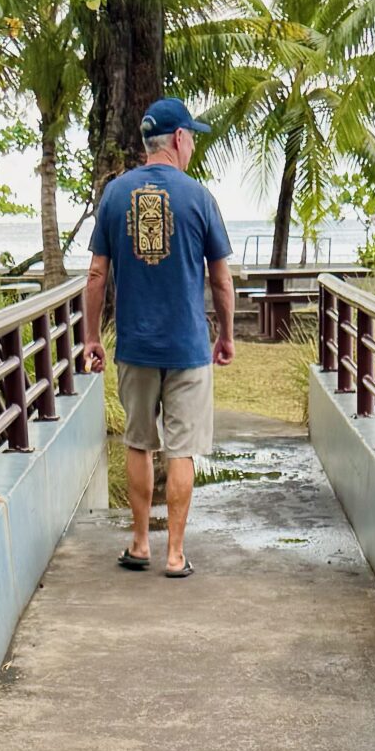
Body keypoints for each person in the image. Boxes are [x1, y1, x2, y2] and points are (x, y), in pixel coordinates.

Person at [83, 97, 235, 580]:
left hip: (135, 345)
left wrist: (91, 338)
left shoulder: (114, 195)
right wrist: (227, 335)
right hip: (189, 347)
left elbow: (94, 275)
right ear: (177, 139)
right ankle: (174, 554)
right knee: (181, 449)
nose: (191, 145)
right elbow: (222, 280)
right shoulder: (200, 197)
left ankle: (139, 543)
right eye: (191, 136)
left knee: (138, 442)